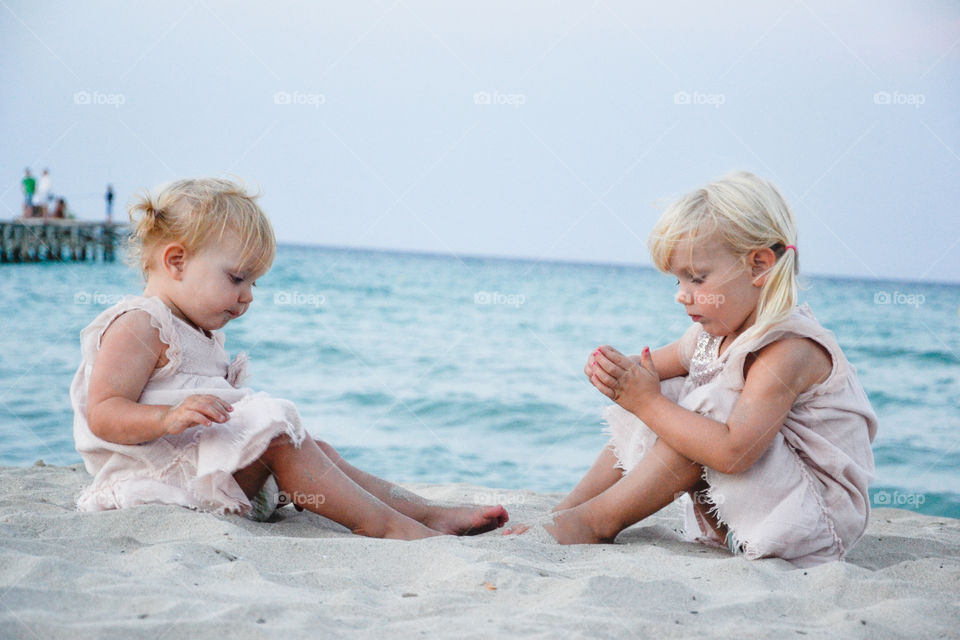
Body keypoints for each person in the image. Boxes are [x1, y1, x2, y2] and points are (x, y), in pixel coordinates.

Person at [70, 177, 508, 540]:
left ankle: (424, 512)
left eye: (255, 284)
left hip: (208, 475)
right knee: (280, 439)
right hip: (163, 482)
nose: (246, 297)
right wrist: (168, 418)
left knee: (315, 448)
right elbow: (103, 413)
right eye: (237, 278)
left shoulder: (197, 330)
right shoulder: (140, 324)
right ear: (177, 261)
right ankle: (395, 528)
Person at [505, 171, 877, 567]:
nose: (682, 294)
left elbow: (735, 453)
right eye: (679, 279)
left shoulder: (788, 349)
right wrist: (614, 371)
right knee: (658, 389)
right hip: (740, 519)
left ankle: (596, 522)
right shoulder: (710, 337)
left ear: (759, 266)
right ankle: (571, 510)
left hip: (808, 523)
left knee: (694, 406)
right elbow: (643, 371)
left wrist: (645, 401)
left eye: (697, 278)